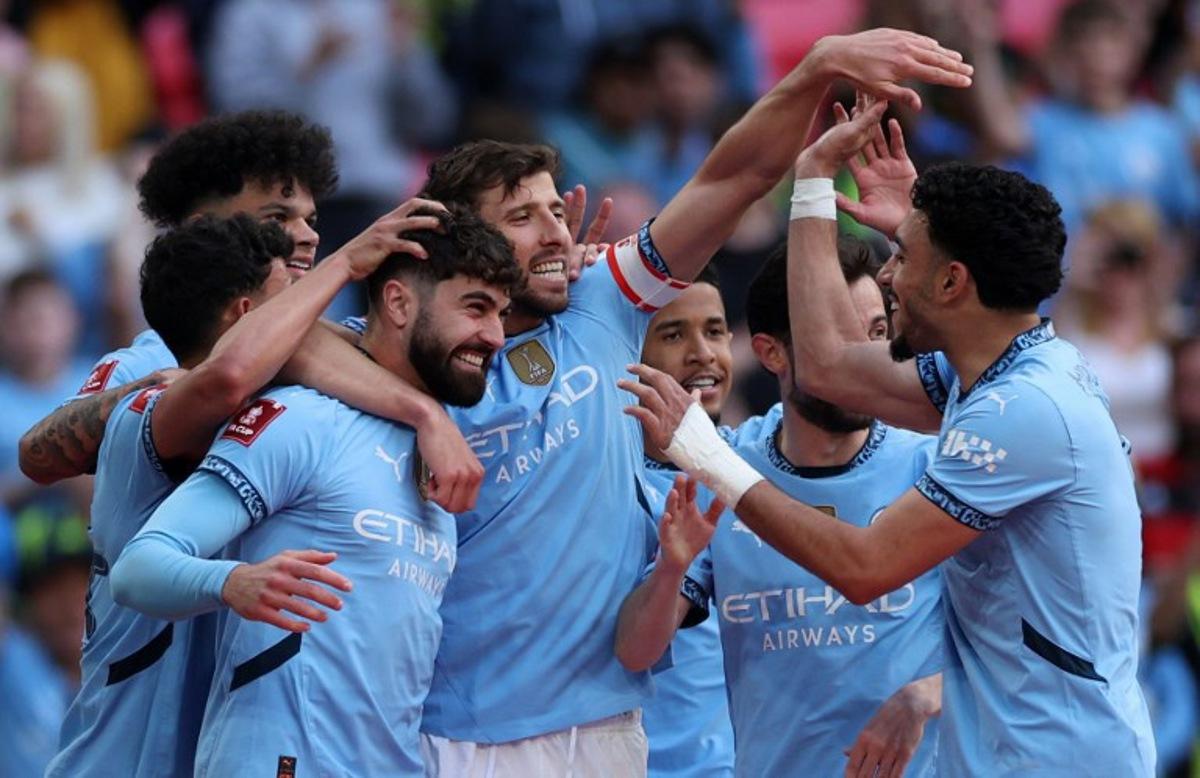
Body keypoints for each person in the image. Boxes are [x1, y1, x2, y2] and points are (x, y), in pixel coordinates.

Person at [414, 29, 972, 775]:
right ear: (461, 241)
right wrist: (422, 411)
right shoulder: (411, 359)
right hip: (465, 732)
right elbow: (303, 348)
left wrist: (815, 69)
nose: (555, 233)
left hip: (607, 728)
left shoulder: (602, 300)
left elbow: (731, 178)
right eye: (523, 219)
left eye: (556, 211)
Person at [623, 101, 1156, 775]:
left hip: (1062, 759)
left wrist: (704, 454)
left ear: (953, 281)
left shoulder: (1023, 411)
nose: (885, 273)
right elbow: (827, 366)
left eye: (902, 257)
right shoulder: (990, 374)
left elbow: (866, 568)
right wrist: (816, 183)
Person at [109, 210, 520, 776]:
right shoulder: (304, 419)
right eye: (475, 307)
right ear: (398, 304)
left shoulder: (439, 452)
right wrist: (232, 582)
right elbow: (138, 568)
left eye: (501, 314)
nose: (495, 336)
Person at [46, 207, 423, 776]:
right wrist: (346, 263)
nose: (310, 330)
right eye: (291, 304)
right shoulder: (149, 408)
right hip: (117, 762)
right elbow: (228, 374)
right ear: (247, 315)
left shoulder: (282, 418)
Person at [17, 109, 482, 513]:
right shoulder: (152, 356)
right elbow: (36, 456)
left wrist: (430, 414)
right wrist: (157, 395)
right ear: (205, 229)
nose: (309, 236)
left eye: (310, 219)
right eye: (277, 218)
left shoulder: (340, 346)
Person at [621, 241, 944, 778]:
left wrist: (930, 692)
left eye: (877, 333)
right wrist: (672, 568)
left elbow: (1022, 640)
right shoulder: (722, 471)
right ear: (772, 353)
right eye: (839, 336)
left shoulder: (931, 467)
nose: (868, 358)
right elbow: (636, 653)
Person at [635, 263, 737, 777]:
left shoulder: (756, 462)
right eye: (673, 335)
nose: (703, 354)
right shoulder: (600, 478)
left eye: (714, 331)